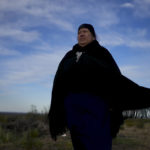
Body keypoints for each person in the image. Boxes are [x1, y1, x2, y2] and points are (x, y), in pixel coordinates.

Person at [48, 24, 150, 150]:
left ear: (93, 36)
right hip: (73, 110)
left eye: (85, 31)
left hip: (95, 108)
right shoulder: (69, 56)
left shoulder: (101, 53)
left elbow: (115, 78)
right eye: (79, 32)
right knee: (79, 144)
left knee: (98, 143)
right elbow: (58, 82)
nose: (81, 34)